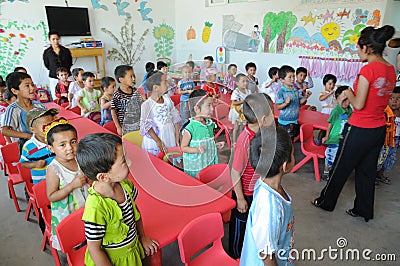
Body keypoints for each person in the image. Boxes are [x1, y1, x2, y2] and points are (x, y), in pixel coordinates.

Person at [311, 25, 396, 222]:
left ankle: (326, 202)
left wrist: (347, 91)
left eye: (358, 48)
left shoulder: (368, 70)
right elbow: (376, 99)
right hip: (378, 130)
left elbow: (358, 104)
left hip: (359, 128)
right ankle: (363, 210)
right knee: (367, 172)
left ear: (366, 47)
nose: (358, 52)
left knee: (340, 167)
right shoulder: (390, 70)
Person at [76, 133, 159, 265]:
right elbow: (94, 249)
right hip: (114, 261)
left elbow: (135, 213)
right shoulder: (96, 207)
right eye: (124, 161)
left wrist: (142, 236)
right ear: (103, 177)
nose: (130, 162)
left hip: (132, 252)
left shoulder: (126, 186)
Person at [240, 127, 295, 266]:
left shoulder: (263, 181)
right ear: (284, 165)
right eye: (293, 153)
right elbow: (266, 254)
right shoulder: (270, 208)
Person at [228, 93, 274, 259]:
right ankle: (235, 255)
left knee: (252, 224)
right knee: (240, 225)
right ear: (262, 119)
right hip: (244, 193)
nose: (274, 116)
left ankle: (249, 252)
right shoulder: (245, 140)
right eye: (271, 113)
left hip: (257, 190)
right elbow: (235, 172)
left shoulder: (263, 134)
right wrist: (240, 198)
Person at [45, 118, 90, 250]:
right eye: (62, 145)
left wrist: (89, 179)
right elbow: (51, 196)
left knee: (90, 231)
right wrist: (72, 185)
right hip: (68, 211)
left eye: (73, 142)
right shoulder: (54, 169)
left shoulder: (80, 159)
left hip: (86, 205)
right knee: (76, 238)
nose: (70, 148)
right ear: (51, 148)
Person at [181, 89, 224, 178]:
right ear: (196, 109)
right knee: (198, 183)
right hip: (197, 165)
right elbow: (183, 147)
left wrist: (216, 144)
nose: (212, 109)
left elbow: (210, 139)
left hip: (208, 160)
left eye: (212, 105)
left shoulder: (210, 124)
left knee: (209, 179)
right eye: (209, 105)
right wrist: (196, 150)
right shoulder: (190, 128)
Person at [1, 72, 46, 150]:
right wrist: (27, 136)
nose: (32, 88)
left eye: (32, 84)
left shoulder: (39, 106)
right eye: (27, 86)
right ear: (15, 91)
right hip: (25, 147)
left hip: (43, 143)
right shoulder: (13, 109)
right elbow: (5, 131)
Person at [140, 71, 180, 155]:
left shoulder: (167, 100)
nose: (168, 84)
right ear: (155, 88)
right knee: (159, 159)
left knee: (170, 158)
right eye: (165, 82)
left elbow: (176, 118)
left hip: (169, 135)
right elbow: (146, 126)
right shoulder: (147, 105)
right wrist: (158, 141)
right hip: (156, 139)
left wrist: (177, 137)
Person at [321, 86, 353, 181]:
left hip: (344, 139)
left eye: (347, 99)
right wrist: (327, 136)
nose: (345, 102)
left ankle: (335, 172)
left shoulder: (350, 110)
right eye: (342, 99)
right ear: (336, 99)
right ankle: (326, 173)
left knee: (340, 157)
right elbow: (330, 124)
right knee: (330, 156)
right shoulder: (336, 111)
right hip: (334, 138)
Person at [20, 108, 58, 185]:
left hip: (61, 180)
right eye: (45, 125)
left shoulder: (57, 138)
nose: (50, 127)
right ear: (33, 130)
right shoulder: (28, 147)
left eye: (52, 123)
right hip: (43, 183)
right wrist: (35, 164)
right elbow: (23, 163)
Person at [276, 65, 311, 140]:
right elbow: (278, 107)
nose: (293, 79)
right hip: (285, 122)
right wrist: (286, 103)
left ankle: (290, 150)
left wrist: (305, 97)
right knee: (284, 141)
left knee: (291, 139)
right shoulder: (281, 92)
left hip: (294, 120)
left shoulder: (295, 90)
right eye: (290, 77)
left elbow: (300, 102)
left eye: (293, 76)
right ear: (282, 80)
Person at [376, 86, 400, 185]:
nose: (394, 101)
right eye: (391, 99)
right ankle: (372, 176)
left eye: (398, 99)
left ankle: (380, 174)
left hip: (395, 140)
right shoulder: (385, 112)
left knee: (390, 158)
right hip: (385, 140)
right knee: (380, 158)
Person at [111, 65, 143, 136]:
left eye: (134, 76)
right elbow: (113, 111)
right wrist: (118, 127)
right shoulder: (117, 94)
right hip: (126, 128)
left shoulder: (135, 91)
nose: (133, 78)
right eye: (131, 76)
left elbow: (141, 106)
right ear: (121, 80)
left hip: (138, 124)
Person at [43, 30, 72, 100]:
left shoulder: (66, 50)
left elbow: (70, 62)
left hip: (67, 76)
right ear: (50, 40)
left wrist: (64, 74)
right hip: (54, 76)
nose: (56, 41)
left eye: (57, 39)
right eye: (53, 39)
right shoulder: (47, 52)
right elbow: (46, 64)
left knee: (70, 93)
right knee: (56, 96)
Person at [228, 73, 251, 144]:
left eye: (246, 81)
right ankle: (234, 142)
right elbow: (234, 103)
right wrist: (243, 101)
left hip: (244, 112)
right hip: (237, 112)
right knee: (236, 128)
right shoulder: (236, 92)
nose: (245, 83)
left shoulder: (248, 91)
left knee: (242, 127)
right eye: (243, 81)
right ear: (237, 83)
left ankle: (240, 140)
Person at [316, 73, 338, 145]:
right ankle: (319, 141)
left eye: (333, 84)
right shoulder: (323, 93)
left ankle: (327, 141)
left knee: (330, 128)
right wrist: (329, 93)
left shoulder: (334, 93)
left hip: (333, 112)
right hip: (325, 112)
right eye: (330, 84)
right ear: (324, 84)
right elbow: (321, 98)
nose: (332, 86)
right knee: (323, 128)